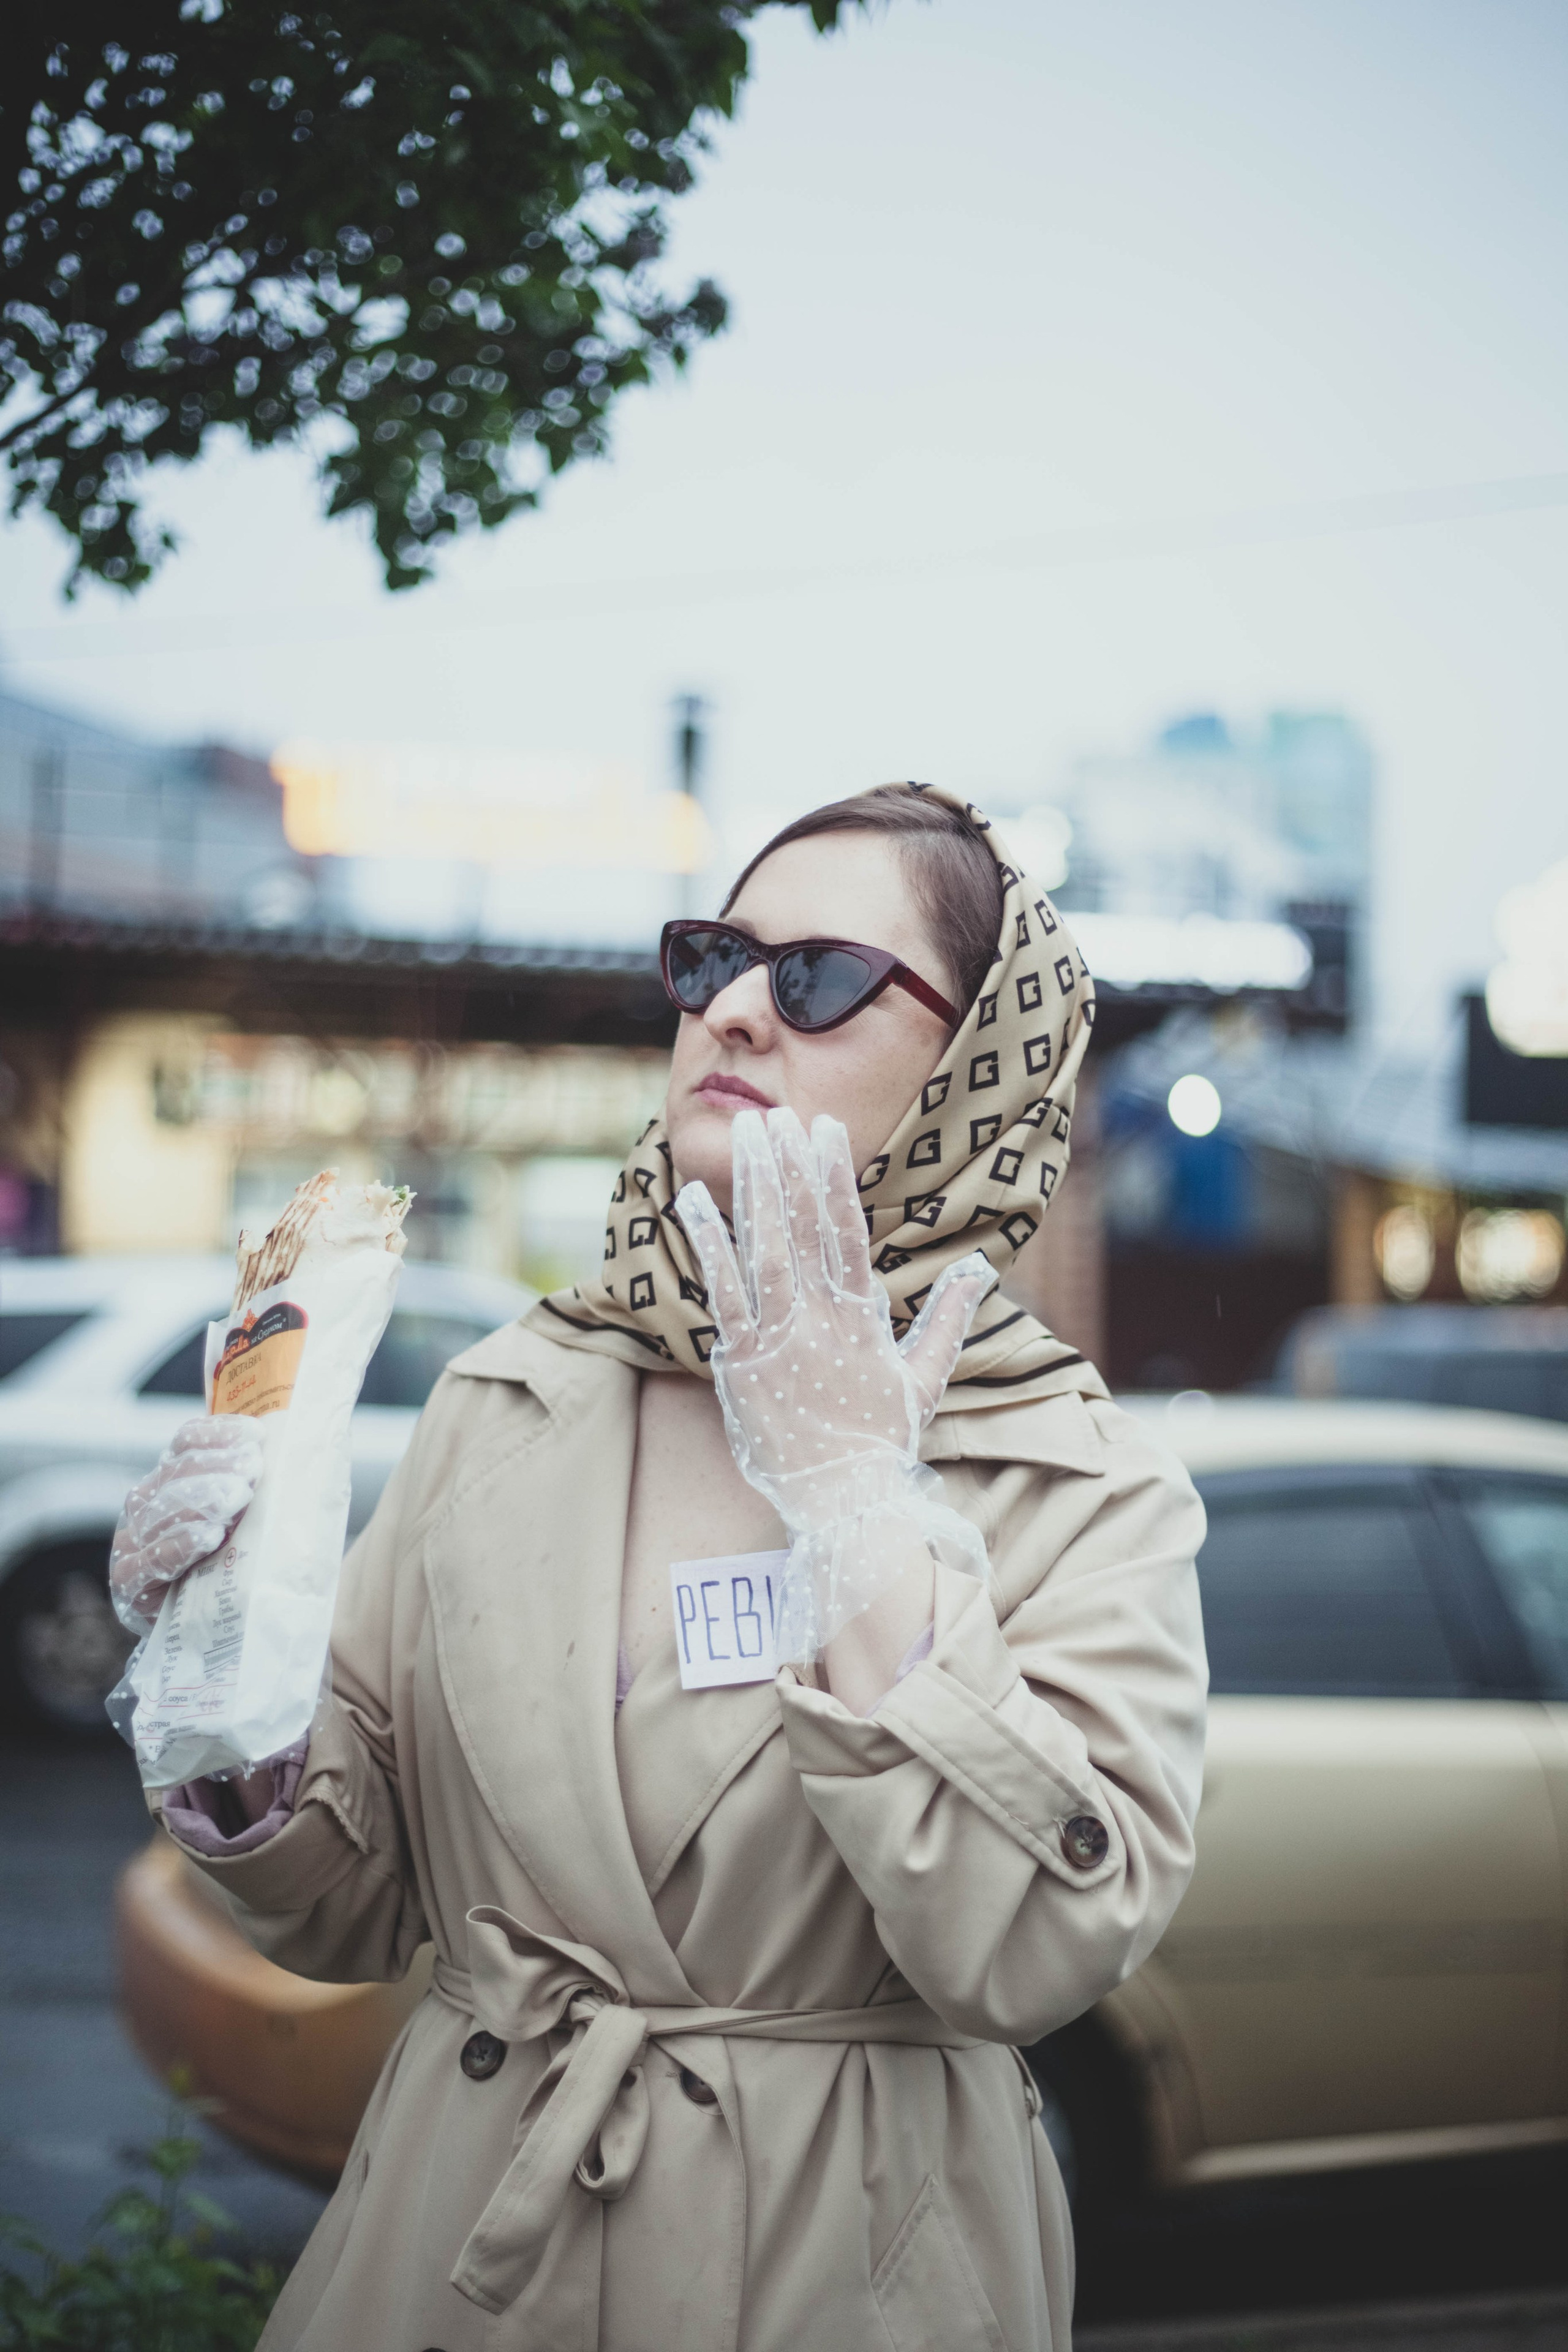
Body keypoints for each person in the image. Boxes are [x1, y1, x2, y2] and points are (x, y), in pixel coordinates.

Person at [111, 782, 1207, 2352]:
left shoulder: (1079, 1477)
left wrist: (850, 1504)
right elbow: (341, 1906)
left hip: (851, 2267)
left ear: (979, 1061)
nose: (737, 1014)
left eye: (816, 976)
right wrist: (222, 1664)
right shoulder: (508, 1396)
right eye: (708, 962)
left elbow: (1034, 1945)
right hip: (458, 2245)